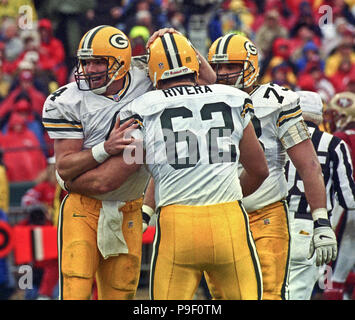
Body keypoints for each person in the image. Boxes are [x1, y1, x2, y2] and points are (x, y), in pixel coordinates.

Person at [42, 25, 216, 300]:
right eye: (85, 62)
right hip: (83, 208)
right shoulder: (67, 100)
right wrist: (104, 148)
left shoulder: (145, 74)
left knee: (121, 292)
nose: (89, 69)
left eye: (98, 61)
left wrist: (179, 43)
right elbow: (64, 167)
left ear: (121, 62)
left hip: (129, 205)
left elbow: (207, 80)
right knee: (76, 287)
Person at [118, 32, 268, 300]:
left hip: (177, 225)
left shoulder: (140, 108)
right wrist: (225, 193)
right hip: (229, 221)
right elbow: (259, 170)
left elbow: (130, 168)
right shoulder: (231, 97)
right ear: (195, 62)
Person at [207, 33, 337, 300]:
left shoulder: (277, 101)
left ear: (251, 65)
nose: (223, 73)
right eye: (218, 66)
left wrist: (321, 220)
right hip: (220, 213)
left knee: (268, 294)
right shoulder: (207, 100)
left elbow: (309, 164)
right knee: (223, 296)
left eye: (231, 66)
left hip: (265, 213)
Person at [285, 90, 355, 300]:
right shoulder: (334, 144)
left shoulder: (275, 139)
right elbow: (348, 199)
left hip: (274, 224)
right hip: (312, 227)